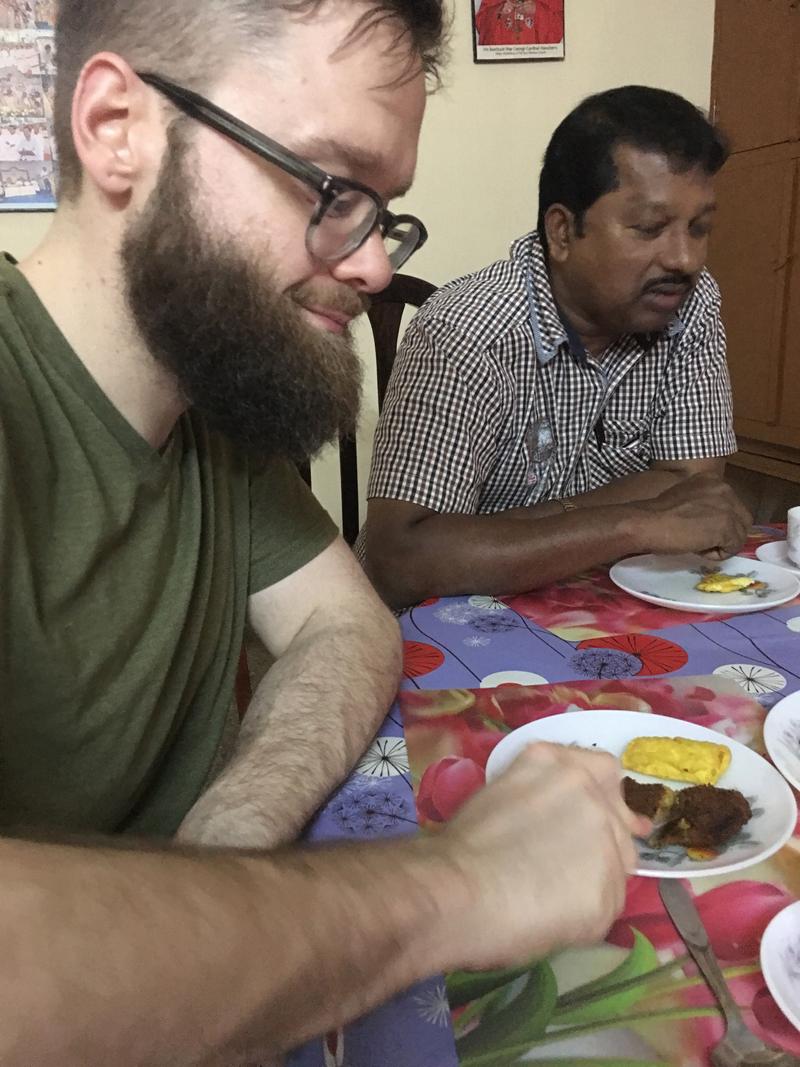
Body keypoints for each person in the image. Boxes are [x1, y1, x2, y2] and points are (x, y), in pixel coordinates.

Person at [0, 0, 645, 1061]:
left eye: (382, 207)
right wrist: (460, 881)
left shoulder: (208, 403)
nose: (374, 267)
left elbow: (346, 627)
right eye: (330, 188)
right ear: (118, 125)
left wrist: (223, 856)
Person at [360, 86, 752, 610]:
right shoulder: (467, 330)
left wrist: (493, 536)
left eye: (699, 227)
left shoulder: (688, 303)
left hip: (597, 605)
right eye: (650, 228)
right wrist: (637, 521)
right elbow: (404, 562)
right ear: (563, 232)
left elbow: (695, 491)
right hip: (443, 628)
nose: (684, 258)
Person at [474, 0, 564, 47]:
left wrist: (537, 11)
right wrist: (499, 11)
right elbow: (481, 24)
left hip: (537, 65)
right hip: (501, 65)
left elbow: (559, 27)